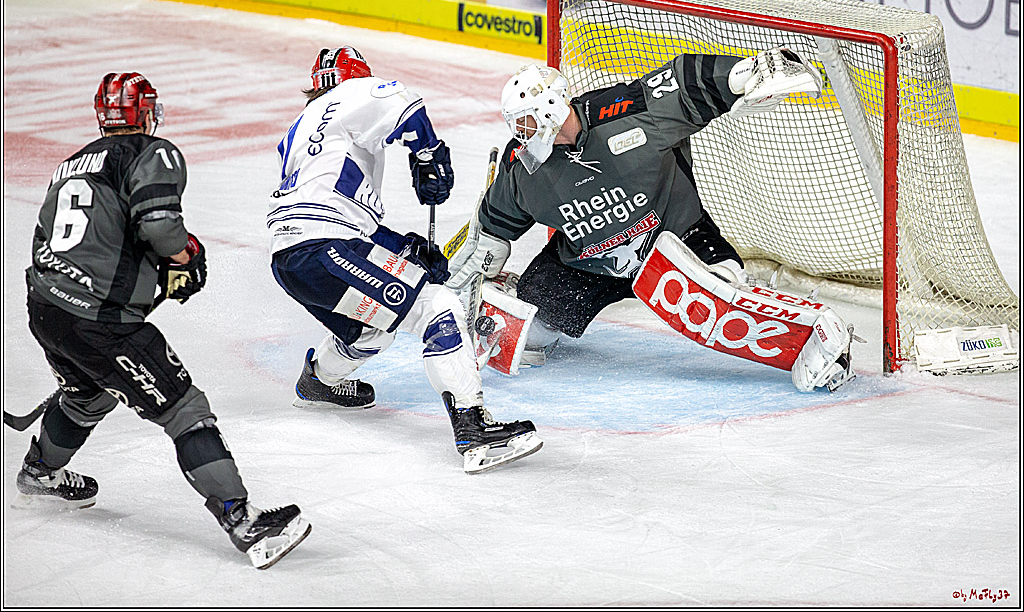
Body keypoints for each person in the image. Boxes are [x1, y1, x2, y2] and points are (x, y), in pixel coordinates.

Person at [15, 72, 311, 570]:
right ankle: (244, 522)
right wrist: (182, 256)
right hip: (100, 320)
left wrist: (144, 274)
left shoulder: (70, 164)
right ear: (146, 112)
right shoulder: (151, 152)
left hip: (45, 306)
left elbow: (69, 237)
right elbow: (159, 225)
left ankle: (40, 472)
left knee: (89, 394)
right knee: (184, 409)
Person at [445, 47, 856, 392]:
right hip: (587, 264)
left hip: (676, 241)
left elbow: (686, 81)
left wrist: (747, 72)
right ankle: (522, 292)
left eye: (526, 120)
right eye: (515, 123)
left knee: (718, 295)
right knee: (526, 335)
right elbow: (493, 228)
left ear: (551, 108)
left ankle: (813, 331)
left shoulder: (625, 112)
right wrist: (469, 277)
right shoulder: (522, 168)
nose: (520, 131)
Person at [268, 47, 542, 473]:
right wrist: (428, 154)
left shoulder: (302, 133)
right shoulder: (352, 92)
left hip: (292, 258)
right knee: (437, 306)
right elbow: (406, 105)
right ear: (356, 77)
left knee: (371, 331)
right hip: (321, 247)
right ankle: (474, 430)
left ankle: (319, 380)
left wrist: (406, 248)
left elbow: (341, 217)